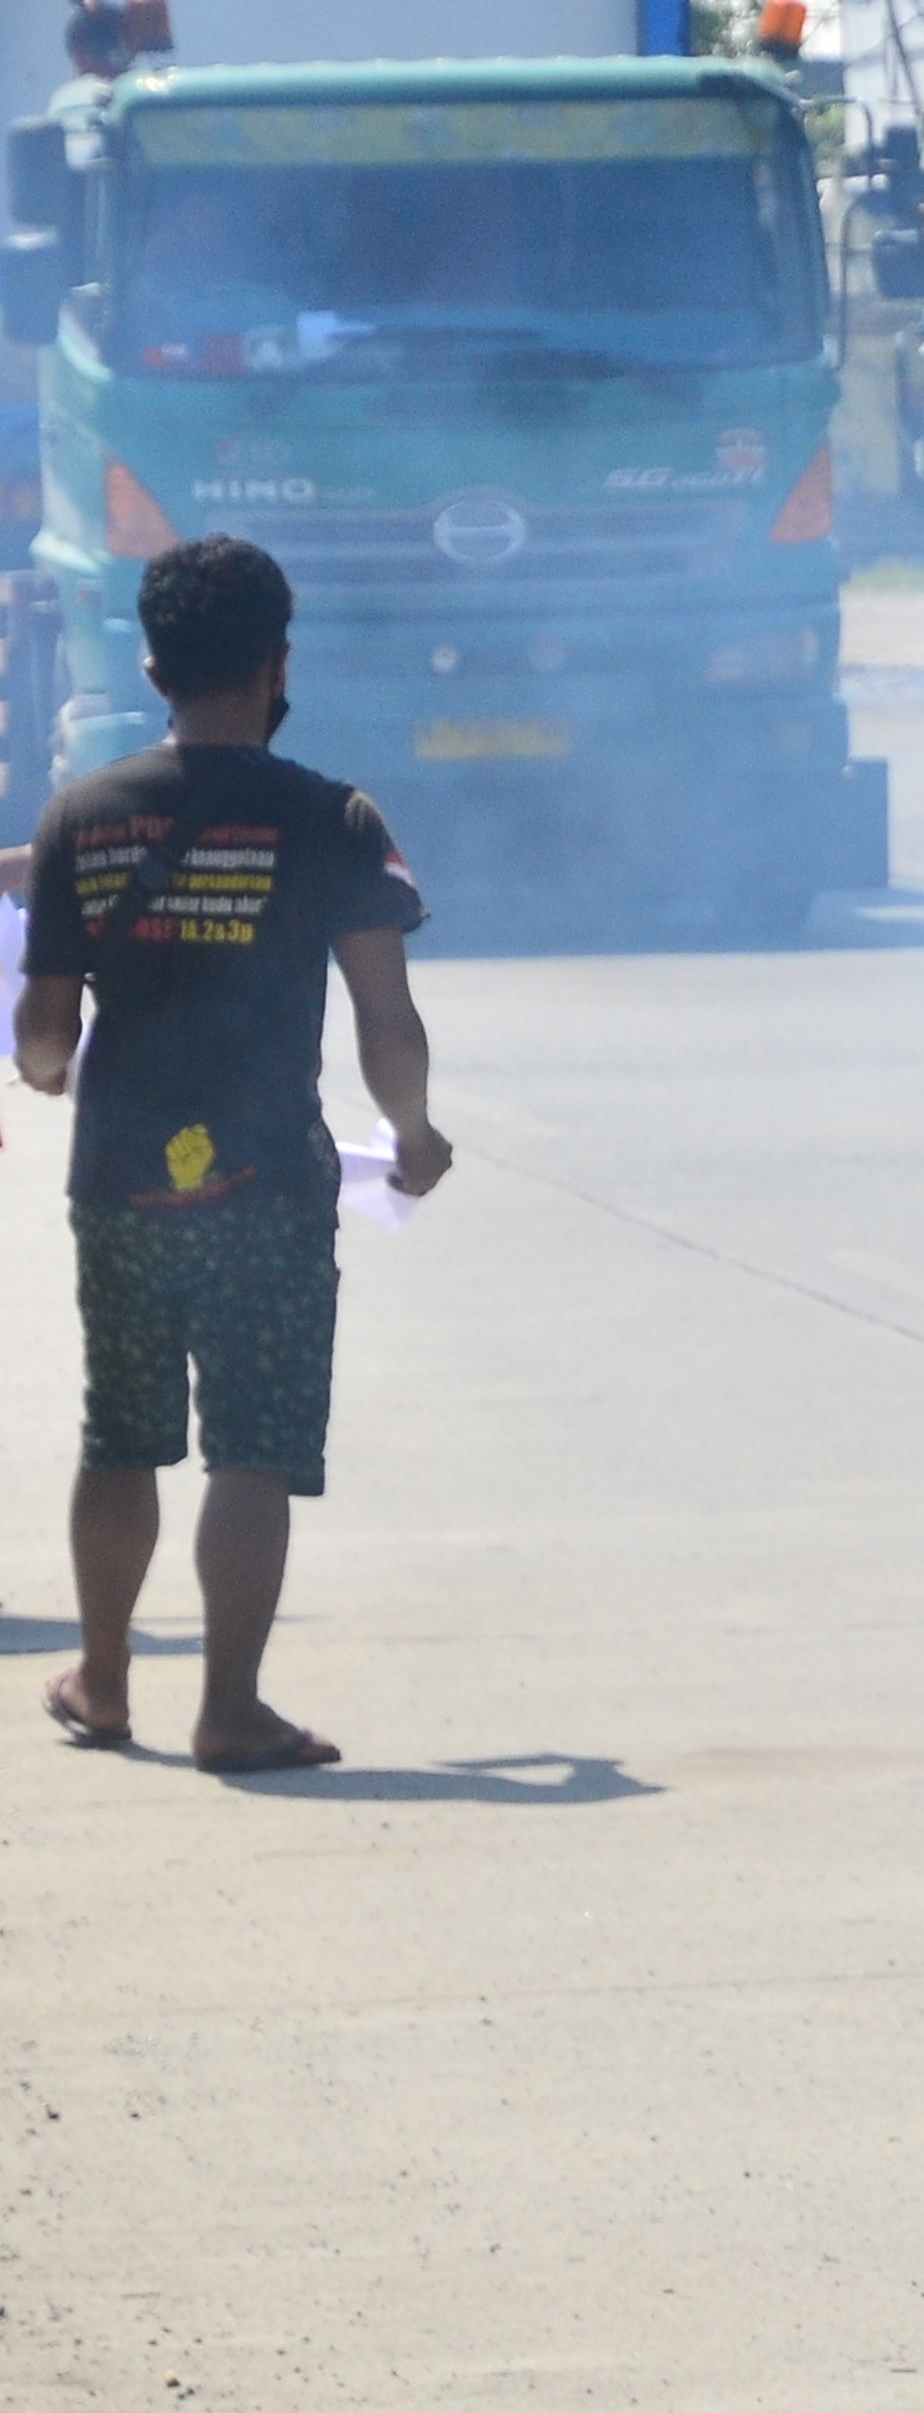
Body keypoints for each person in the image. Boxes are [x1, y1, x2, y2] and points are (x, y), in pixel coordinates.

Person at [16, 536, 450, 1773]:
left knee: (123, 1435)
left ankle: (103, 1683)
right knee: (249, 1443)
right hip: (265, 1177)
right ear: (278, 663)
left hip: (119, 1181)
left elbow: (45, 1033)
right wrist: (412, 1141)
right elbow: (386, 1018)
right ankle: (229, 1709)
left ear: (151, 664)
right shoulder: (333, 819)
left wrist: (48, 1074)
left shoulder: (80, 820)